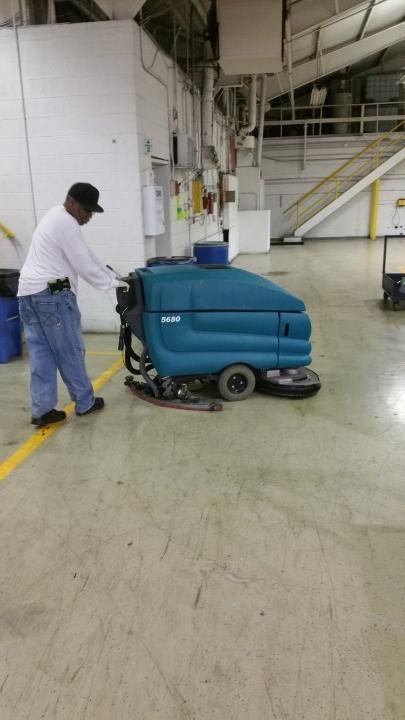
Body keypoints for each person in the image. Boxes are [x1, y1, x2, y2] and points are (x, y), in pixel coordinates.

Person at [18, 182, 120, 428]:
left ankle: (42, 410)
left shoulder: (54, 216)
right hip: (52, 293)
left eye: (91, 212)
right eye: (86, 210)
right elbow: (82, 261)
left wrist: (109, 274)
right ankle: (85, 402)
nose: (88, 216)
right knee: (70, 350)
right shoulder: (67, 223)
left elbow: (84, 254)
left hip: (27, 292)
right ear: (71, 202)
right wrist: (111, 283)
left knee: (41, 353)